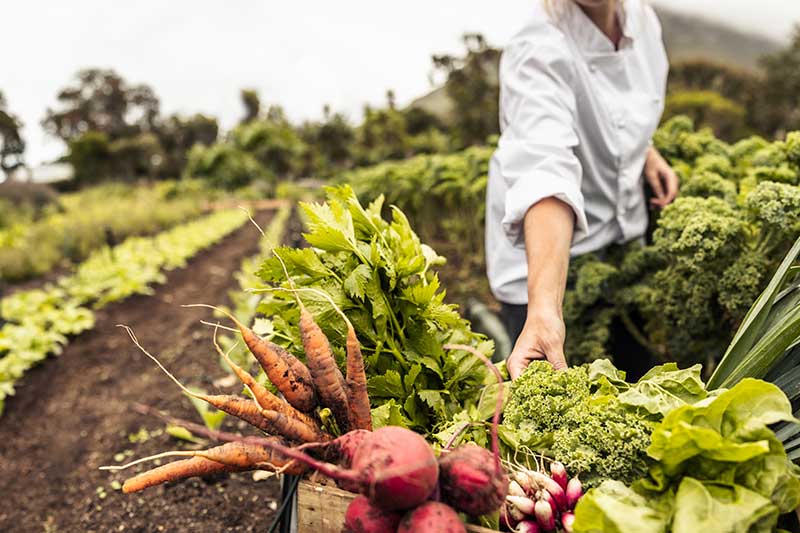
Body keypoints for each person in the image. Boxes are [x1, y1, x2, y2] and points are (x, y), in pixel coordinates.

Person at [485, 0, 679, 380]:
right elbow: (545, 169)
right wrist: (543, 310)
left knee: (636, 372)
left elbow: (622, 107)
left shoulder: (642, 20)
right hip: (544, 260)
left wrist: (645, 151)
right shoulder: (537, 45)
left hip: (618, 240)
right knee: (562, 407)